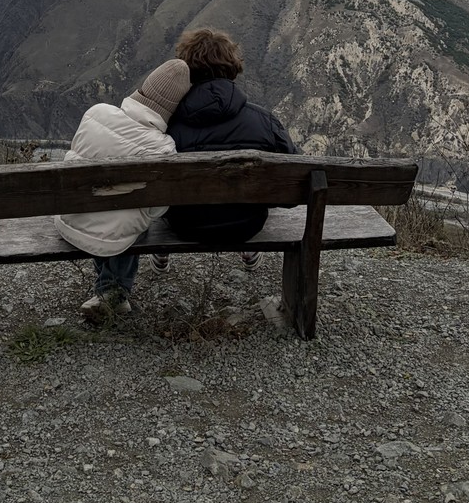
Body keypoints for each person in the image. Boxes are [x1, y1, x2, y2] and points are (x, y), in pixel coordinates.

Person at [152, 26, 297, 274]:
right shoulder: (264, 121)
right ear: (232, 67)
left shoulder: (165, 123)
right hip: (246, 224)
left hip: (184, 224)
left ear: (186, 69)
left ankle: (161, 248)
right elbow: (295, 179)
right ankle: (248, 247)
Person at [54, 59, 191, 320]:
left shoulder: (96, 113)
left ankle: (107, 285)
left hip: (68, 219)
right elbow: (157, 210)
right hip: (111, 239)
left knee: (116, 210)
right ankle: (112, 293)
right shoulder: (163, 148)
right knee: (131, 218)